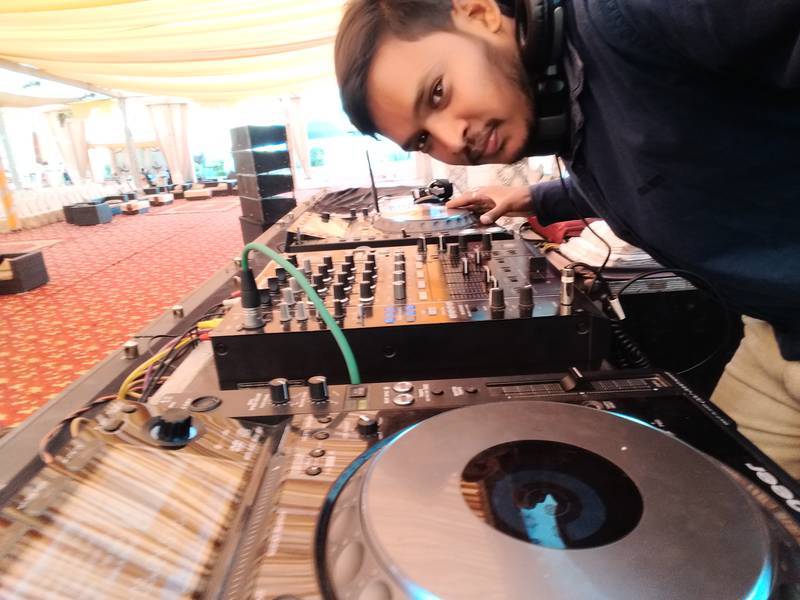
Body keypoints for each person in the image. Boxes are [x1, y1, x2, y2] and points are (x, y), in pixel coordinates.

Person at [335, 0, 800, 475]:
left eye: (438, 93)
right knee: (726, 500)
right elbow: (654, 168)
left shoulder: (632, 12)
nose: (452, 140)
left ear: (479, 13)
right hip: (774, 335)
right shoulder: (571, 112)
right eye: (422, 139)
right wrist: (534, 198)